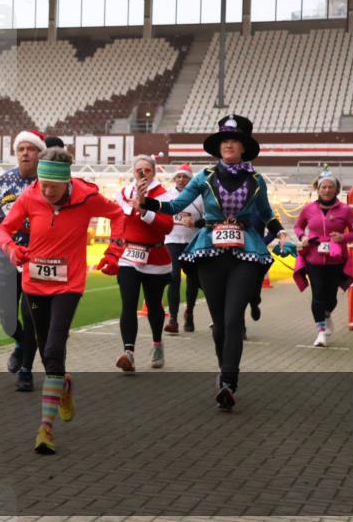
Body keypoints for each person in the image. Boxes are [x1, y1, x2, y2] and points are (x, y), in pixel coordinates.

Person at [136, 115, 287, 412]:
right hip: (209, 252)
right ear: (218, 147)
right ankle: (223, 372)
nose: (228, 145)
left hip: (245, 252)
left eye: (234, 141)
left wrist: (280, 232)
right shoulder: (203, 177)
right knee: (219, 324)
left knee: (233, 319)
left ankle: (229, 381)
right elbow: (176, 206)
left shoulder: (256, 180)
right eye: (224, 141)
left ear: (244, 147)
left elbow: (267, 213)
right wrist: (147, 203)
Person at [0, 147, 122, 454]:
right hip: (34, 286)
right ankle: (62, 383)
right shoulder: (29, 196)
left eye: (54, 186)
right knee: (45, 352)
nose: (47, 191)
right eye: (43, 184)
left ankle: (45, 429)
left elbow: (118, 214)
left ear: (67, 182)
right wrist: (12, 249)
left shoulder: (87, 198)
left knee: (53, 349)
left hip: (69, 286)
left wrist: (114, 251)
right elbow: (3, 230)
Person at [0, 130, 45, 392]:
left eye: (31, 149)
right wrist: (2, 222)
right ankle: (19, 342)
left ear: (40, 153)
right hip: (7, 256)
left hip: (37, 258)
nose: (25, 153)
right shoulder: (4, 181)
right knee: (6, 316)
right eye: (21, 149)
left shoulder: (47, 183)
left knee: (32, 316)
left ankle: (26, 371)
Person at [98, 156, 174, 372]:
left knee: (154, 305)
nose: (142, 174)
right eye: (139, 169)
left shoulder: (163, 195)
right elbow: (118, 222)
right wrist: (113, 250)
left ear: (154, 172)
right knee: (128, 303)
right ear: (133, 172)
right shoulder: (123, 193)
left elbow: (167, 227)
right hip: (128, 256)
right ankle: (128, 352)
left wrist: (144, 210)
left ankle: (157, 343)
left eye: (147, 170)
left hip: (155, 258)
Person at [292, 169, 353, 347]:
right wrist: (302, 237)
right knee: (317, 295)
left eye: (330, 187)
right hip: (313, 259)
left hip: (336, 260)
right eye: (324, 187)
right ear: (318, 189)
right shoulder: (309, 209)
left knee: (331, 297)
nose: (327, 190)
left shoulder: (345, 210)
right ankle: (321, 333)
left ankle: (327, 314)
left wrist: (342, 237)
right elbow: (298, 227)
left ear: (336, 190)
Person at [160, 164, 203, 334]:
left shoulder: (199, 197)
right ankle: (173, 319)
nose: (181, 180)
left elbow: (209, 218)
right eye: (178, 176)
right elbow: (160, 215)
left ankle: (189, 312)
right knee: (174, 278)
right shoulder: (167, 195)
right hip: (172, 241)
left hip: (192, 243)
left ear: (191, 180)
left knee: (193, 280)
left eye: (185, 177)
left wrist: (195, 223)